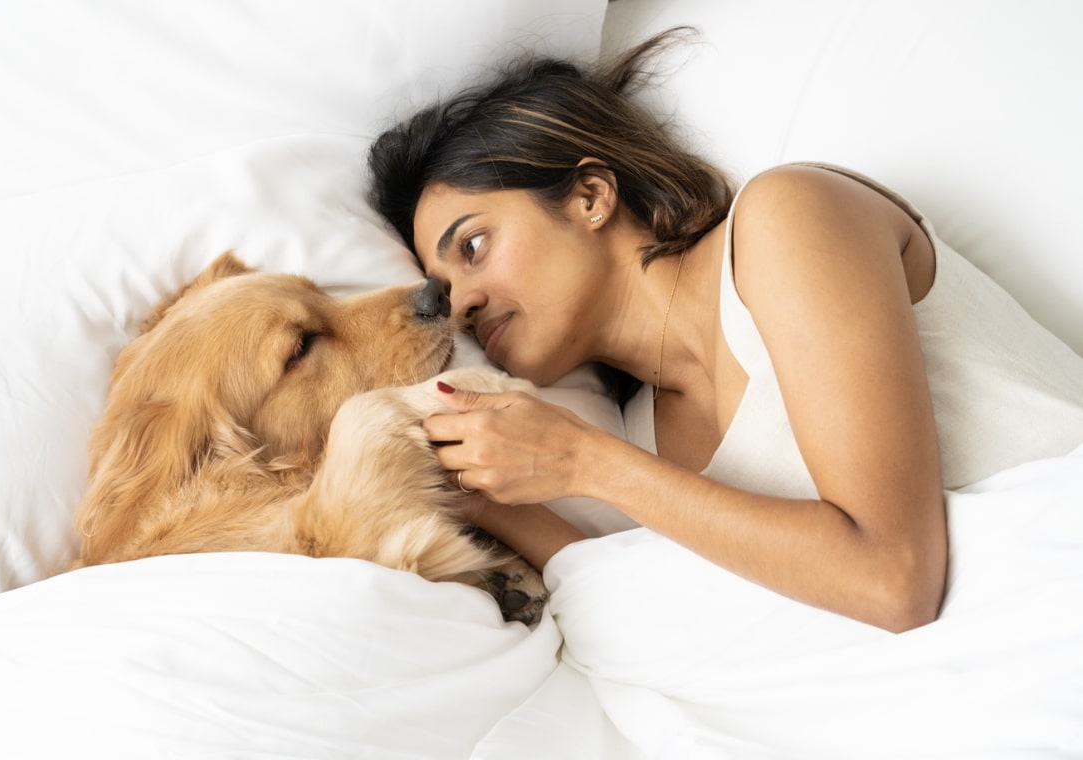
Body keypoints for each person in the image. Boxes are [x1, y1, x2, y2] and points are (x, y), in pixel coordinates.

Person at [366, 29, 1083, 633]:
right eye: (446, 288)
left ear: (590, 195)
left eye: (473, 247)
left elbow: (894, 579)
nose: (459, 305)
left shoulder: (788, 219)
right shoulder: (640, 433)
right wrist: (472, 495)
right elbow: (627, 604)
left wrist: (587, 463)